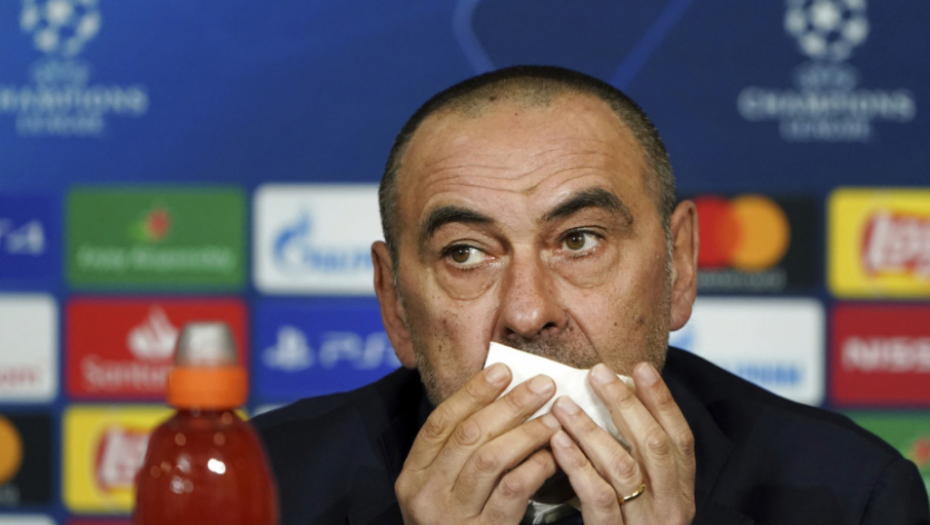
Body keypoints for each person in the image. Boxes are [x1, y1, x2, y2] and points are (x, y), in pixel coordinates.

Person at [252, 66, 930, 525]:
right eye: (466, 253)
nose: (528, 313)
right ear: (397, 304)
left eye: (579, 240)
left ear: (679, 266)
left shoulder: (850, 497)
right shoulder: (259, 488)